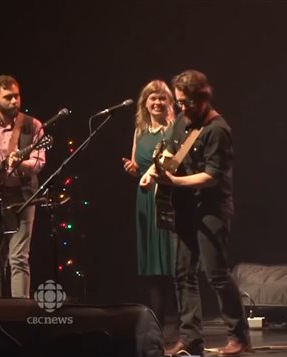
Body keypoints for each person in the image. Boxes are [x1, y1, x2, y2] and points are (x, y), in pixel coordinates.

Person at [140, 69, 250, 356]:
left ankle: (239, 335)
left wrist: (175, 182)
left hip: (212, 208)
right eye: (180, 102)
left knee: (216, 274)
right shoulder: (180, 122)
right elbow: (170, 154)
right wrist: (154, 172)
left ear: (203, 99)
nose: (183, 108)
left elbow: (212, 176)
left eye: (188, 103)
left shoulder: (217, 129)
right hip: (186, 209)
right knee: (183, 273)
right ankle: (191, 340)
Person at [121, 80, 177, 332]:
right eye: (152, 98)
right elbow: (137, 166)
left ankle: (177, 325)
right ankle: (156, 325)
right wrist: (133, 169)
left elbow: (175, 164)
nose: (157, 103)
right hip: (144, 199)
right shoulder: (140, 131)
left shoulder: (174, 129)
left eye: (162, 98)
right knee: (152, 265)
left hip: (166, 198)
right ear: (145, 103)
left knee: (171, 262)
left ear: (169, 102)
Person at [0, 75, 45, 302]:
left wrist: (19, 165)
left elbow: (39, 162)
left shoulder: (32, 125)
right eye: (8, 97)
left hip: (23, 196)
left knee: (18, 257)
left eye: (16, 96)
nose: (14, 101)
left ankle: (20, 314)